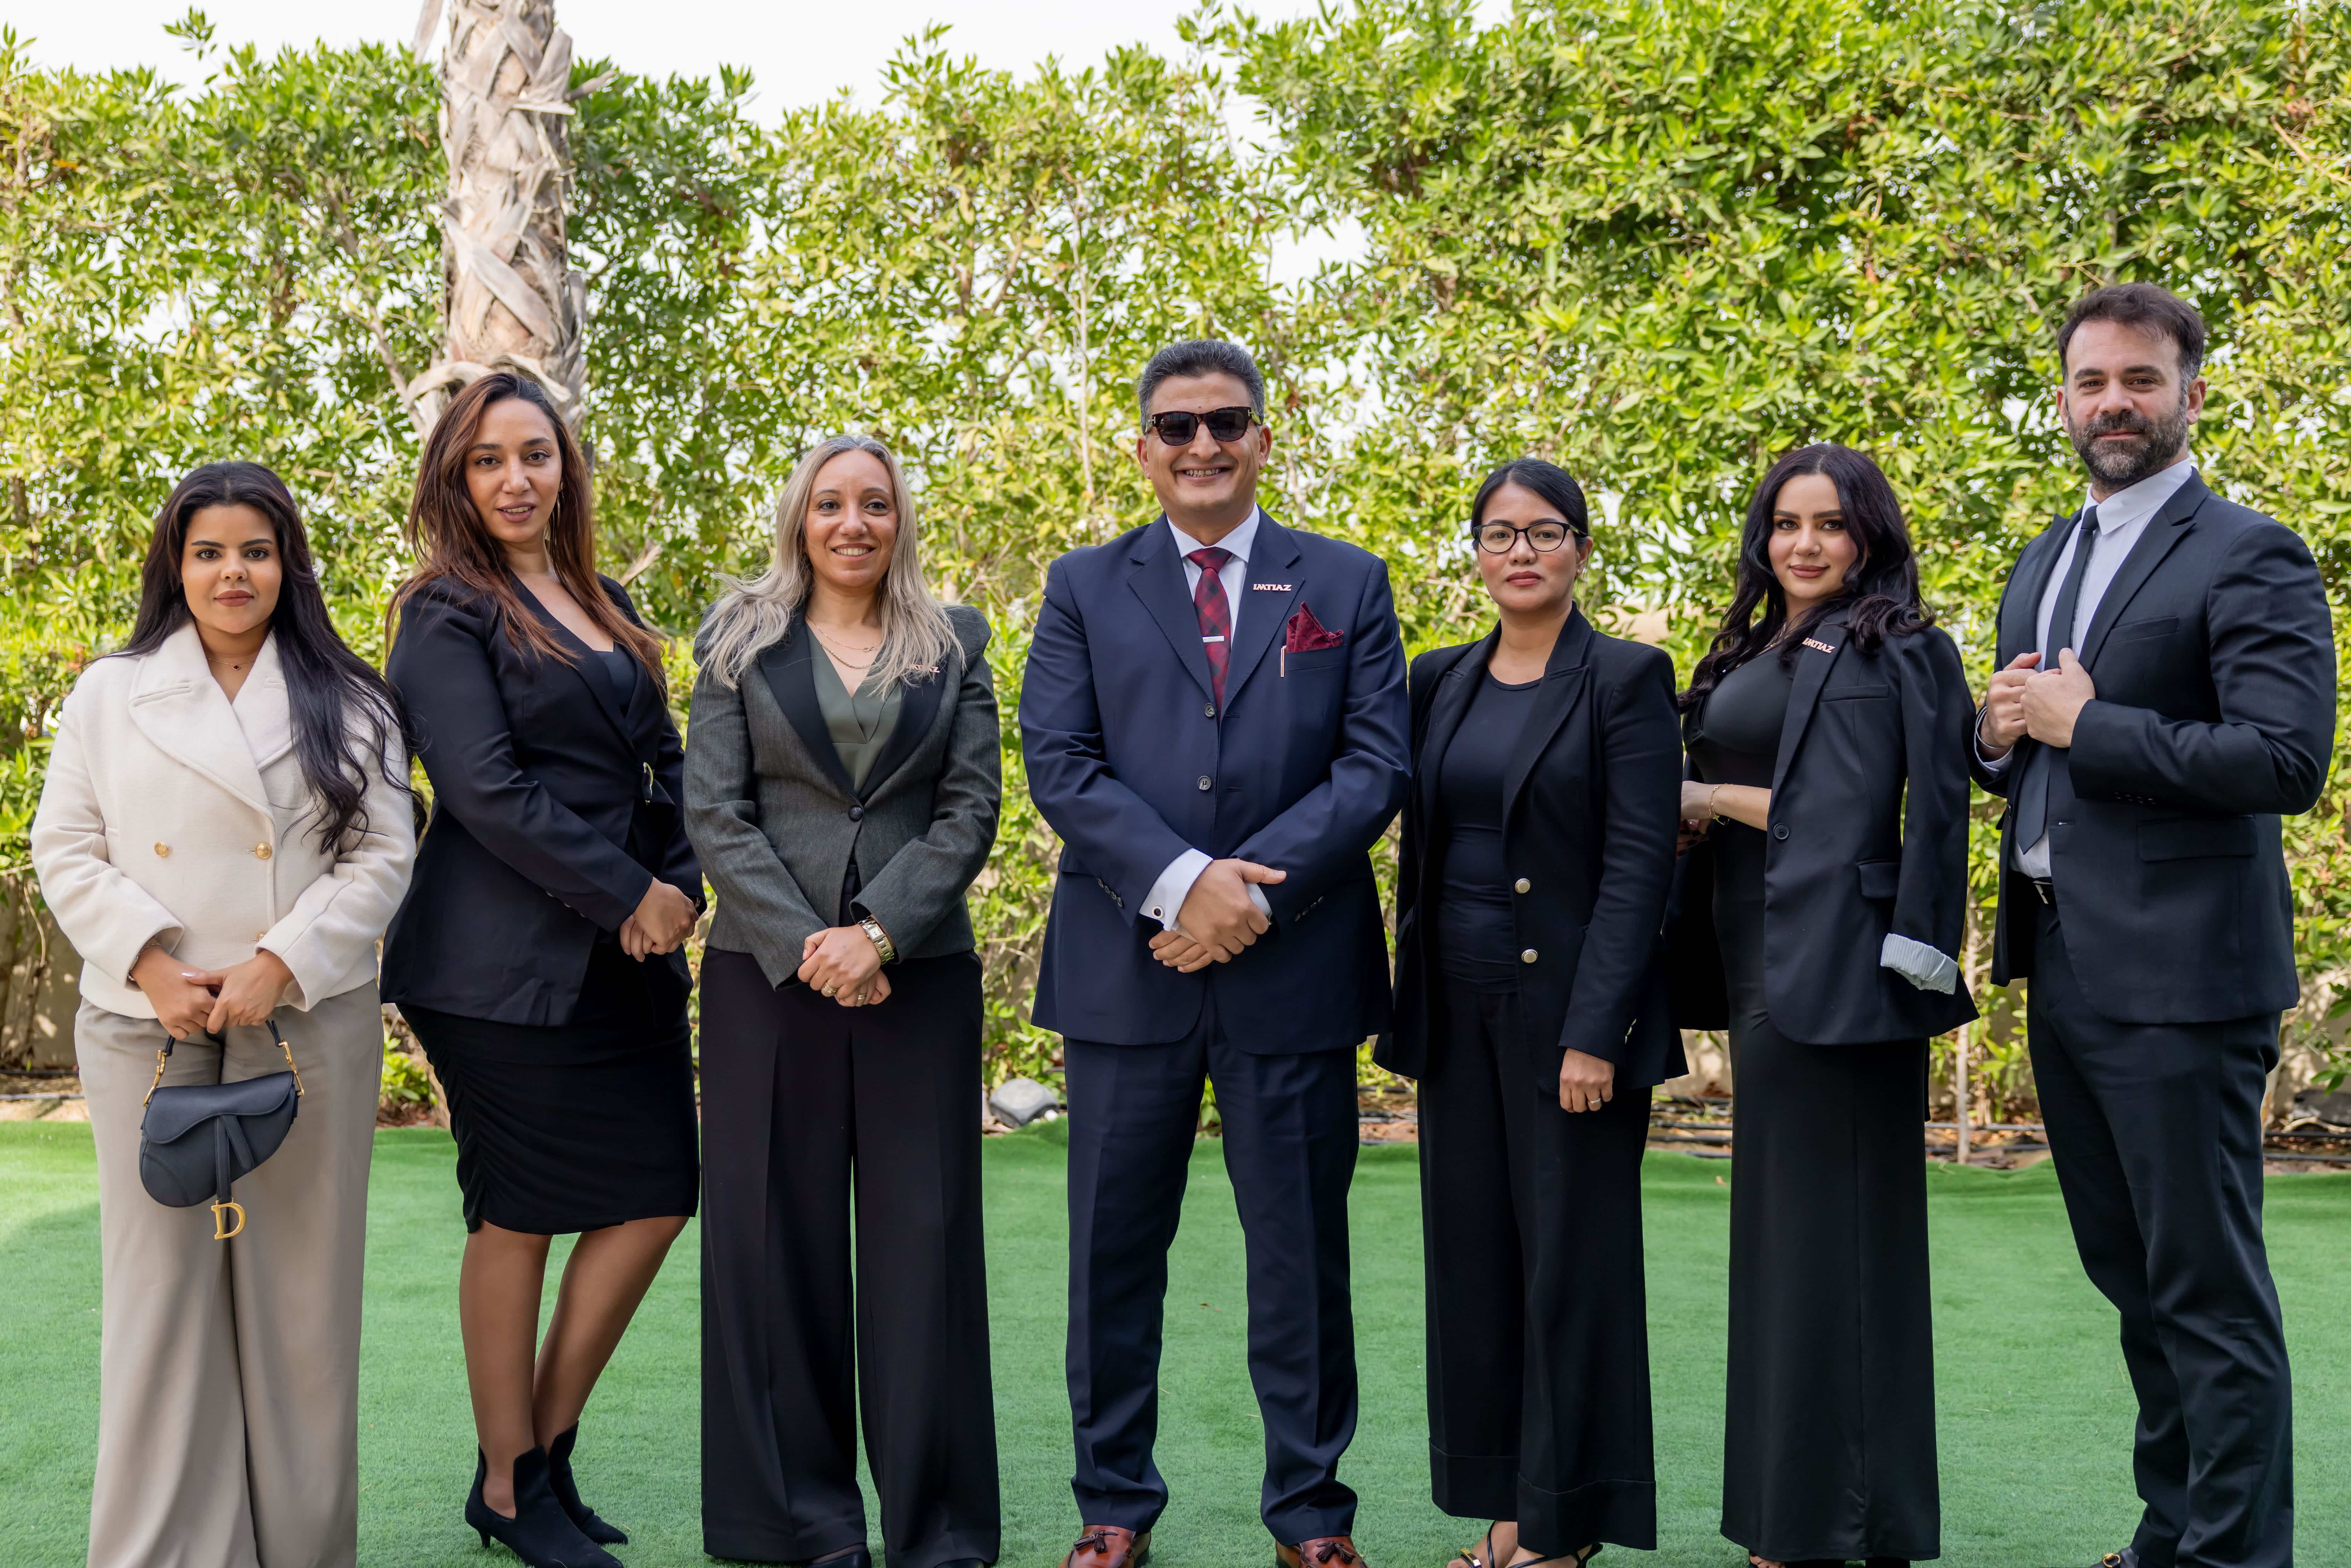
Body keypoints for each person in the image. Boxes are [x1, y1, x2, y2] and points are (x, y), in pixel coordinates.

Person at [1020, 338, 1410, 1568]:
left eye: (1226, 422)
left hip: (1293, 972)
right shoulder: (1082, 585)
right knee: (1111, 1256)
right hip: (1125, 972)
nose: (1202, 445)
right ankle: (1111, 1505)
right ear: (1143, 448)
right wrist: (1186, 887)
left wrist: (1247, 898)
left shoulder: (1345, 582)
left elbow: (1373, 767)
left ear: (1263, 437)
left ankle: (1311, 1513)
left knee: (1300, 1260)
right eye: (1177, 426)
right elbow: (1060, 764)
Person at [1971, 285, 2330, 1568]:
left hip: (2183, 976)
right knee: (2130, 1279)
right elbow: (2024, 746)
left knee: (2205, 1288)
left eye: (2138, 378)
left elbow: (2284, 759)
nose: (2112, 402)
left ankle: (2234, 1555)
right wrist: (1993, 735)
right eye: (2090, 381)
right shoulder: (2043, 557)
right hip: (2065, 962)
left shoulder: (2248, 552)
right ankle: (2170, 1532)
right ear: (2063, 401)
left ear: (2189, 392)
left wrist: (2089, 727)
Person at [31, 461, 416, 1568]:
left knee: (303, 1303)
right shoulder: (110, 693)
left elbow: (384, 854)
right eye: (208, 552)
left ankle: (300, 1548)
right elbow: (66, 846)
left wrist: (280, 962)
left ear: (290, 564)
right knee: (159, 1301)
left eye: (255, 550)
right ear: (177, 564)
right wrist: (153, 964)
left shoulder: (352, 700)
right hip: (145, 1026)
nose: (231, 572)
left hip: (304, 1022)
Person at [381, 372, 704, 1568]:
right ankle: (511, 1486)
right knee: (516, 1213)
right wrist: (628, 893)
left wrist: (681, 885)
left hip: (630, 960)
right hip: (494, 967)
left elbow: (668, 763)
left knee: (659, 1196)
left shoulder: (606, 601)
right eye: (487, 460)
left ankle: (542, 1452)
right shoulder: (443, 612)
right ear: (456, 481)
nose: (515, 479)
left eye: (535, 454)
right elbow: (483, 789)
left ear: (566, 467)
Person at [684, 434, 1003, 1568]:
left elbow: (971, 809)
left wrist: (877, 935)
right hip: (768, 980)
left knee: (926, 1244)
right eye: (830, 504)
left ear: (899, 520)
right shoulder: (737, 637)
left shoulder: (954, 641)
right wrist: (807, 942)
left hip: (917, 975)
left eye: (875, 503)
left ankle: (939, 1529)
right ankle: (801, 1524)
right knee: (778, 1249)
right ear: (799, 520)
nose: (852, 523)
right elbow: (714, 811)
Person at [1668, 443, 1976, 1568]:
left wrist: (1704, 795)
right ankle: (1813, 1519)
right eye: (1787, 523)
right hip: (1757, 961)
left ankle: (1823, 1528)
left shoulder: (1899, 645)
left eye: (1831, 524)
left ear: (1868, 536)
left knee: (1835, 1250)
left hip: (1843, 973)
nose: (1805, 544)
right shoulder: (1755, 642)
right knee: (1787, 1246)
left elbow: (1849, 815)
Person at [1373, 459, 1682, 1568]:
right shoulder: (1438, 677)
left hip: (1567, 1025)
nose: (1521, 553)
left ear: (1580, 550)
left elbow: (1640, 865)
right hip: (1453, 1014)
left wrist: (1595, 1031)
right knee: (1478, 1269)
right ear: (1475, 553)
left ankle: (1563, 1528)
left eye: (1545, 532)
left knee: (1570, 1272)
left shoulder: (1626, 677)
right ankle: (1506, 1511)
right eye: (1499, 534)